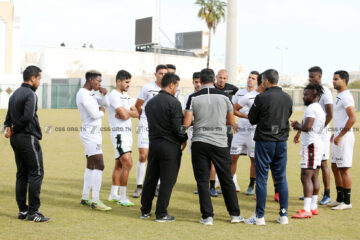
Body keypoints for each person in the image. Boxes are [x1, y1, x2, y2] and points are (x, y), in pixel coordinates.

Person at [184, 68, 243, 226]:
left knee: (202, 181)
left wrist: (200, 121)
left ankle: (207, 217)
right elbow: (231, 121)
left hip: (199, 142)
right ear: (214, 80)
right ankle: (235, 215)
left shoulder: (193, 97)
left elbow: (187, 123)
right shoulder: (224, 96)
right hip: (220, 143)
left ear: (200, 81)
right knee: (226, 179)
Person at [246, 69, 292, 225]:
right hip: (281, 142)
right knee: (281, 178)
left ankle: (259, 217)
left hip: (265, 141)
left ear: (265, 80)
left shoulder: (261, 97)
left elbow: (252, 118)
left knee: (262, 179)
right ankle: (283, 215)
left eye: (261, 80)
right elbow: (288, 114)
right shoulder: (287, 97)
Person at [4, 65, 50, 222]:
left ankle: (22, 211)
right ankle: (33, 212)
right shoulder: (30, 94)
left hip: (16, 140)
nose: (40, 81)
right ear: (32, 78)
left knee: (22, 174)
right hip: (27, 138)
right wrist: (14, 129)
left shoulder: (14, 94)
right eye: (39, 78)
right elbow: (28, 117)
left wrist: (7, 129)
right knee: (36, 173)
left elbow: (7, 119)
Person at [140, 73, 187, 222]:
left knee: (150, 178)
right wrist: (184, 138)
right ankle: (161, 213)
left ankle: (145, 210)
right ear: (171, 84)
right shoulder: (174, 103)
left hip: (153, 144)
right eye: (177, 85)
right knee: (167, 180)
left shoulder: (150, 103)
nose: (177, 88)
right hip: (170, 146)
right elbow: (177, 128)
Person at [76, 70, 111, 211]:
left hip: (93, 133)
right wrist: (102, 110)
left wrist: (104, 94)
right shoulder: (83, 94)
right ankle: (96, 200)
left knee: (91, 165)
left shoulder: (90, 93)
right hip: (90, 134)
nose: (100, 83)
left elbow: (105, 104)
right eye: (98, 81)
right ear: (91, 80)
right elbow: (95, 114)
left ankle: (85, 197)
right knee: (100, 165)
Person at [297, 66, 333, 205]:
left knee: (323, 164)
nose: (310, 79)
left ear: (319, 76)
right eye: (309, 77)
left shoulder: (326, 92)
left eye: (312, 76)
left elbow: (329, 114)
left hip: (320, 134)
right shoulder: (311, 94)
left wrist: (318, 130)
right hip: (313, 132)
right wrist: (300, 132)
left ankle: (327, 194)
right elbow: (308, 118)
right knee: (313, 167)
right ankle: (311, 195)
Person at [291, 84, 325, 219]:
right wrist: (300, 126)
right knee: (314, 176)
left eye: (306, 94)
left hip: (311, 145)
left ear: (315, 96)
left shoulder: (311, 108)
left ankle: (306, 209)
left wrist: (297, 125)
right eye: (304, 94)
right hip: (317, 144)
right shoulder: (319, 108)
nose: (304, 97)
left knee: (305, 177)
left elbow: (307, 127)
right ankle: (313, 206)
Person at [133, 64, 168, 198]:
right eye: (160, 73)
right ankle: (139, 186)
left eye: (165, 73)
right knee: (143, 154)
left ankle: (157, 186)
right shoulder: (147, 88)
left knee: (158, 155)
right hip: (146, 124)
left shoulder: (170, 89)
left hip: (161, 126)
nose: (162, 76)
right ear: (155, 74)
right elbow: (138, 105)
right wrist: (143, 116)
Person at [107, 70, 139, 206]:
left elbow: (136, 112)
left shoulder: (126, 96)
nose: (128, 84)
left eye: (129, 82)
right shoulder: (114, 96)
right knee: (128, 163)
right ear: (118, 81)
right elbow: (126, 115)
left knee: (119, 164)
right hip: (119, 134)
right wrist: (128, 113)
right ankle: (123, 197)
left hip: (127, 134)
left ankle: (113, 194)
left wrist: (127, 112)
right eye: (126, 82)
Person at [328, 71, 356, 210]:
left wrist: (340, 135)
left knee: (344, 168)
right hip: (338, 137)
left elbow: (352, 118)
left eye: (336, 79)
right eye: (333, 79)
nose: (333, 81)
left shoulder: (346, 96)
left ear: (343, 80)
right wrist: (334, 133)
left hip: (344, 138)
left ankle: (347, 201)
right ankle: (339, 199)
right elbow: (340, 117)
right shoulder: (339, 95)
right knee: (335, 166)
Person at [231, 71, 259, 194]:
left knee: (253, 158)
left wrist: (252, 120)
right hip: (240, 131)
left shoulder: (259, 94)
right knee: (233, 157)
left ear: (257, 81)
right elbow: (231, 109)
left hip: (253, 131)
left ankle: (251, 185)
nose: (250, 80)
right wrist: (233, 123)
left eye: (253, 78)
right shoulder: (240, 93)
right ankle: (230, 183)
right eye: (249, 77)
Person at [213, 69, 239, 195]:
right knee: (213, 156)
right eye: (220, 77)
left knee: (229, 156)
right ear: (216, 77)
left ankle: (231, 181)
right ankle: (212, 183)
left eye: (224, 78)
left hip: (227, 127)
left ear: (227, 79)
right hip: (213, 127)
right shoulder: (210, 88)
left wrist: (235, 120)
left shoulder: (233, 89)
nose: (222, 80)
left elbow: (239, 103)